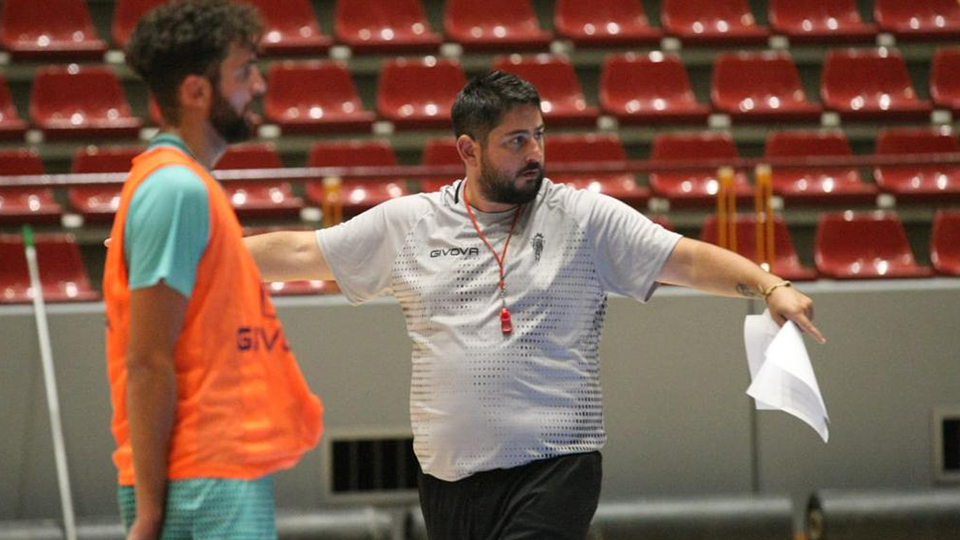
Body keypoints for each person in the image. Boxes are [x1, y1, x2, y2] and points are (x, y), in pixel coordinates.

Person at [243, 70, 824, 540]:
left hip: (555, 464)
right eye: (515, 140)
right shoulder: (411, 223)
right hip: (447, 480)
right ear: (468, 149)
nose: (534, 152)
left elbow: (686, 259)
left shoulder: (582, 217)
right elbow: (300, 252)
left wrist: (769, 286)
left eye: (539, 135)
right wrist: (206, 254)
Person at [102, 2, 323, 540]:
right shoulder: (175, 189)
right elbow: (148, 361)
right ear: (197, 91)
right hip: (199, 481)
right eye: (244, 72)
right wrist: (150, 513)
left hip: (216, 471)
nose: (260, 85)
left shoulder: (187, 184)